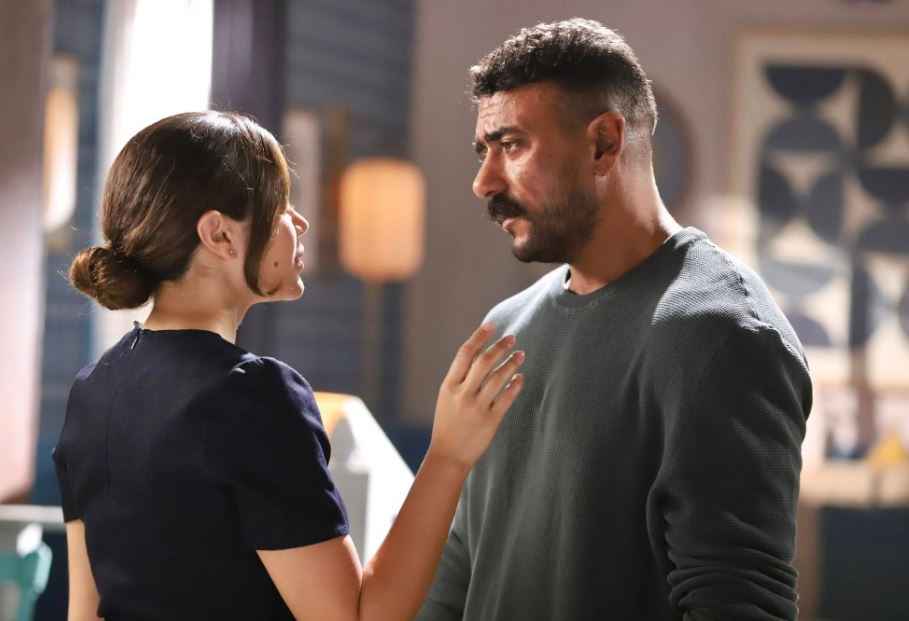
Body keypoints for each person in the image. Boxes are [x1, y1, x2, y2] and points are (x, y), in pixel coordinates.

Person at [53, 111, 525, 621]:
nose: (300, 223)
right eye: (279, 205)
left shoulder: (91, 390)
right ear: (219, 234)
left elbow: (84, 614)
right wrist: (449, 455)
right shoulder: (252, 395)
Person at [416, 18, 812, 621]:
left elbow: (737, 605)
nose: (483, 182)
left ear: (603, 143)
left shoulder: (724, 337)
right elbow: (459, 575)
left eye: (512, 145)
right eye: (483, 151)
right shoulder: (504, 329)